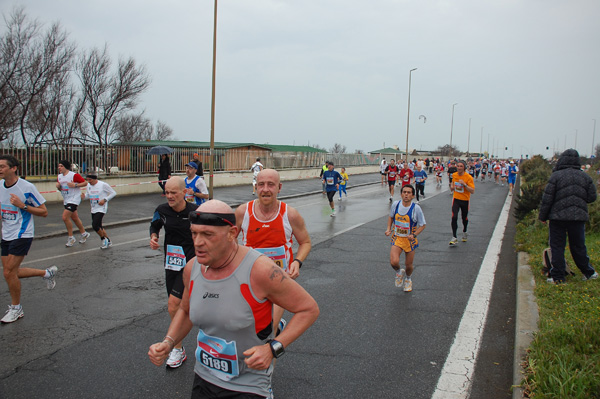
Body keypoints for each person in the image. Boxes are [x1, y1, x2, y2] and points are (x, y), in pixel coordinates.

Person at [148, 200, 319, 398]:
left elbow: (308, 309)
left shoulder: (261, 270)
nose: (197, 242)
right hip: (204, 376)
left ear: (232, 233)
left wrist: (274, 348)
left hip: (248, 384)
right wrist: (168, 343)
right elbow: (185, 310)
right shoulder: (192, 267)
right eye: (194, 233)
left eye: (208, 235)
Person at [235, 169, 312, 337]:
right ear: (255, 187)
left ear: (279, 187)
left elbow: (305, 242)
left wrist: (297, 262)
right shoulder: (243, 212)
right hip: (250, 280)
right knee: (249, 328)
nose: (265, 189)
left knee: (268, 332)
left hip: (279, 280)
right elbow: (229, 241)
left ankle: (270, 351)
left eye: (271, 184)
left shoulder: (290, 214)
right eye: (261, 185)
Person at [0, 155, 57, 324]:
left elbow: (44, 212)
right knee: (13, 273)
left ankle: (16, 308)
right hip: (7, 235)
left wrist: (23, 205)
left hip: (22, 234)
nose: (0, 169)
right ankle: (47, 273)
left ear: (13, 168)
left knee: (8, 272)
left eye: (3, 166)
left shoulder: (27, 188)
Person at [149, 177, 199, 368]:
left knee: (173, 304)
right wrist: (154, 237)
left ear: (184, 192)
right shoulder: (162, 210)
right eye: (167, 192)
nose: (169, 196)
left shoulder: (195, 212)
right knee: (177, 305)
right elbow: (154, 225)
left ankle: (176, 348)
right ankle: (181, 348)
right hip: (172, 263)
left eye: (173, 192)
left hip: (193, 264)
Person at [538, 149, 598, 284]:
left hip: (557, 217)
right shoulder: (585, 177)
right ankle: (588, 272)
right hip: (578, 217)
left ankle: (558, 277)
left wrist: (543, 216)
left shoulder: (556, 176)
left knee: (557, 246)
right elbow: (592, 197)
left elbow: (547, 199)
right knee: (578, 246)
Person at [385, 185, 426, 292]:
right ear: (401, 194)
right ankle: (399, 272)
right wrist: (389, 228)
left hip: (409, 241)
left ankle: (408, 279)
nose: (406, 194)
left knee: (409, 265)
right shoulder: (396, 204)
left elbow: (422, 225)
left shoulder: (416, 209)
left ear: (413, 196)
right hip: (397, 238)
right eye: (404, 192)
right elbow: (391, 217)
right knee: (394, 262)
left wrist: (414, 235)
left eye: (408, 192)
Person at [56, 160, 90, 247]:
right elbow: (61, 189)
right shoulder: (59, 176)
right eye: (59, 166)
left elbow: (85, 183)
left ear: (66, 167)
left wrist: (75, 185)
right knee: (75, 218)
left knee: (65, 217)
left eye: (61, 166)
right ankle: (84, 233)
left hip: (74, 199)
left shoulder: (73, 175)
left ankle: (71, 237)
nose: (59, 168)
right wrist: (59, 187)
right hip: (66, 199)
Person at [81, 173, 117, 249]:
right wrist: (84, 197)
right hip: (93, 208)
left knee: (95, 225)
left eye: (90, 180)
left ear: (95, 179)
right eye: (87, 180)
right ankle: (108, 240)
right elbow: (88, 195)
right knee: (99, 226)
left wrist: (105, 200)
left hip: (101, 208)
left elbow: (113, 193)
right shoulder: (88, 186)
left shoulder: (103, 185)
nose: (89, 181)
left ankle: (103, 239)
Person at [449, 160, 475, 246]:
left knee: (464, 218)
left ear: (464, 167)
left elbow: (472, 191)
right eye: (458, 166)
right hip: (456, 199)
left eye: (461, 166)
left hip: (465, 200)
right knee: (454, 217)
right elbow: (453, 185)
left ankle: (464, 231)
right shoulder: (454, 175)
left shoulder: (468, 177)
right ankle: (454, 237)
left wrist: (465, 184)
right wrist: (452, 187)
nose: (459, 168)